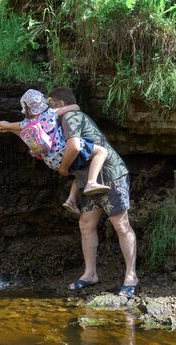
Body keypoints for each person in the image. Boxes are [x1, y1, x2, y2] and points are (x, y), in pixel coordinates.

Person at [47, 87, 138, 296]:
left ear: (59, 105)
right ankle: (90, 274)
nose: (47, 108)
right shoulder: (61, 119)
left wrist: (62, 169)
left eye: (50, 104)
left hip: (110, 175)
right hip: (87, 180)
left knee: (121, 225)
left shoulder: (70, 116)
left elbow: (75, 147)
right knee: (86, 224)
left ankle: (131, 277)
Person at [0, 89, 110, 214]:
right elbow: (75, 107)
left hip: (51, 161)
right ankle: (92, 183)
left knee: (80, 168)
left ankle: (71, 200)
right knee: (101, 151)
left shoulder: (26, 123)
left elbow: (7, 125)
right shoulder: (51, 113)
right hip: (64, 151)